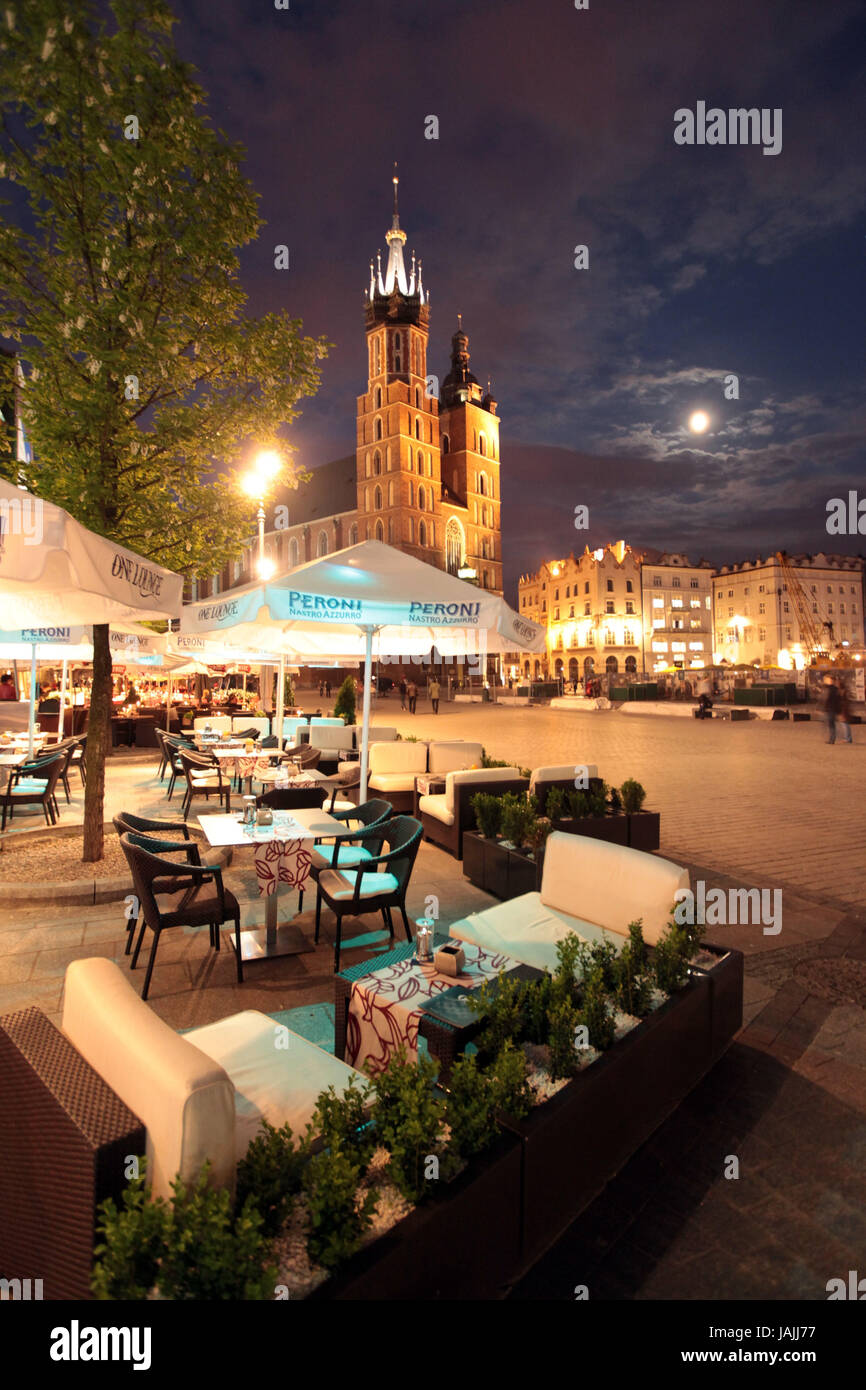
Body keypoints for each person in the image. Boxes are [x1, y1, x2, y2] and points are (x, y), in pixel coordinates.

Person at [821, 675, 841, 744]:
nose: (825, 681)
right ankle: (832, 738)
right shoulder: (832, 688)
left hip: (831, 709)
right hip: (830, 708)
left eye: (827, 680)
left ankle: (832, 739)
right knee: (831, 724)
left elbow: (828, 699)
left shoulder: (832, 689)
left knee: (831, 724)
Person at [837, 678, 853, 744]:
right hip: (844, 709)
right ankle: (848, 738)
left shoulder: (841, 691)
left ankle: (847, 738)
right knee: (845, 724)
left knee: (844, 724)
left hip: (843, 710)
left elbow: (841, 701)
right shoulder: (844, 691)